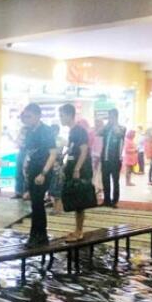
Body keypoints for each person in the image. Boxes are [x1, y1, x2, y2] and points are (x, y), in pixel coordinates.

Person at [21, 104, 57, 248]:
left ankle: (39, 235)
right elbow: (28, 151)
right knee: (35, 204)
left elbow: (53, 154)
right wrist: (25, 167)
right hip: (32, 170)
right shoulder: (29, 132)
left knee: (38, 203)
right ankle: (37, 235)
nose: (26, 119)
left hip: (42, 171)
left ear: (37, 115)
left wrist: (43, 173)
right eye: (25, 116)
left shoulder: (46, 131)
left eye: (29, 116)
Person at [59, 104, 92, 242]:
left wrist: (77, 169)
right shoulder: (72, 132)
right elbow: (73, 151)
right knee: (76, 201)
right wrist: (66, 164)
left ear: (69, 115)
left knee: (79, 202)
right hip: (73, 167)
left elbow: (84, 151)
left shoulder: (79, 131)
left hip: (81, 170)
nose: (60, 119)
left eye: (61, 116)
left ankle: (79, 232)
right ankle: (77, 230)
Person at [98, 109, 126, 207]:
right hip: (105, 158)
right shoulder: (106, 128)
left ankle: (115, 201)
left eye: (111, 117)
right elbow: (98, 133)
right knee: (105, 180)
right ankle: (106, 200)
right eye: (109, 117)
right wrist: (106, 125)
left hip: (115, 159)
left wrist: (114, 125)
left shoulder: (122, 128)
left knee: (115, 180)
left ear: (116, 117)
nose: (109, 119)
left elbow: (119, 134)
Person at [12, 125, 28, 199]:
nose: (23, 132)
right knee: (18, 173)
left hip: (27, 154)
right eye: (22, 130)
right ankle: (18, 192)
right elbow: (16, 145)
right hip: (20, 153)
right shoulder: (20, 136)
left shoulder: (31, 136)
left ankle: (26, 192)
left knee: (26, 173)